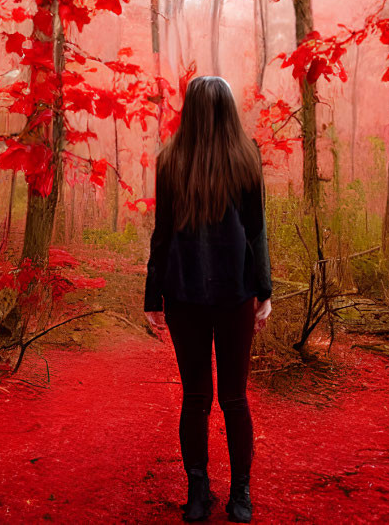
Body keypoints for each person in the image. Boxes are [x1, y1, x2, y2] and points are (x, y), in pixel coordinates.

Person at [144, 76, 273, 523]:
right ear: (228, 110)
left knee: (196, 396)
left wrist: (153, 297)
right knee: (234, 397)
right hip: (235, 292)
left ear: (191, 111)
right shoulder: (246, 158)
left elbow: (161, 236)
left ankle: (198, 495)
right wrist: (264, 291)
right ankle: (241, 497)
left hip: (183, 294)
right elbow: (257, 230)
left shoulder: (170, 160)